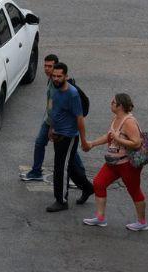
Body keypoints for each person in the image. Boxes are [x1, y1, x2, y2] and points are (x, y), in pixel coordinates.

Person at [82, 93, 148, 230]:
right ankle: (100, 218)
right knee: (99, 183)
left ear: (120, 106)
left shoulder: (129, 122)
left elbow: (136, 143)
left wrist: (119, 140)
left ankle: (142, 223)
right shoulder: (116, 118)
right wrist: (92, 144)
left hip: (128, 164)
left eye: (113, 102)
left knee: (134, 190)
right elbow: (109, 137)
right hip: (113, 162)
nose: (111, 104)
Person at [21, 54, 86, 182]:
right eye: (45, 66)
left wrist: (54, 126)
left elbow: (76, 114)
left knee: (70, 152)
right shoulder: (52, 80)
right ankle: (36, 171)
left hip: (59, 124)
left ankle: (80, 176)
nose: (46, 69)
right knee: (40, 143)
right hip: (50, 120)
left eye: (50, 66)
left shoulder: (61, 85)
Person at [46, 62, 94, 212]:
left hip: (68, 137)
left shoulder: (72, 94)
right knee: (71, 167)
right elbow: (56, 110)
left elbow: (80, 118)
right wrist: (51, 128)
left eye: (59, 76)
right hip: (57, 134)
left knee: (61, 168)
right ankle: (88, 188)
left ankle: (61, 200)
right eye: (54, 76)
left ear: (66, 76)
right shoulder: (55, 88)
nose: (56, 79)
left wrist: (84, 141)